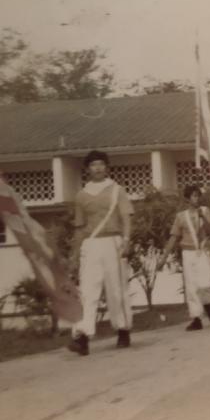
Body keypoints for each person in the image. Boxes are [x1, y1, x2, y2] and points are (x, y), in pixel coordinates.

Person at [67, 150, 135, 356]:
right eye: (93, 165)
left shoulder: (117, 190)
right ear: (87, 169)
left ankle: (123, 329)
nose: (97, 168)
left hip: (113, 242)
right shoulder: (81, 195)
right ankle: (83, 337)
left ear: (107, 167)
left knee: (116, 290)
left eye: (101, 164)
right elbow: (79, 227)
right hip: (91, 243)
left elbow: (126, 217)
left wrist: (126, 240)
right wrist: (75, 255)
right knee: (87, 292)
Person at [157, 185, 210, 331]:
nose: (196, 199)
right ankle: (196, 318)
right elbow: (173, 238)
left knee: (204, 283)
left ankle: (207, 304)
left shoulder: (205, 211)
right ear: (187, 198)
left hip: (202, 251)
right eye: (193, 196)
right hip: (188, 253)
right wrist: (163, 258)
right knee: (191, 287)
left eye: (198, 195)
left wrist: (203, 217)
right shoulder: (181, 216)